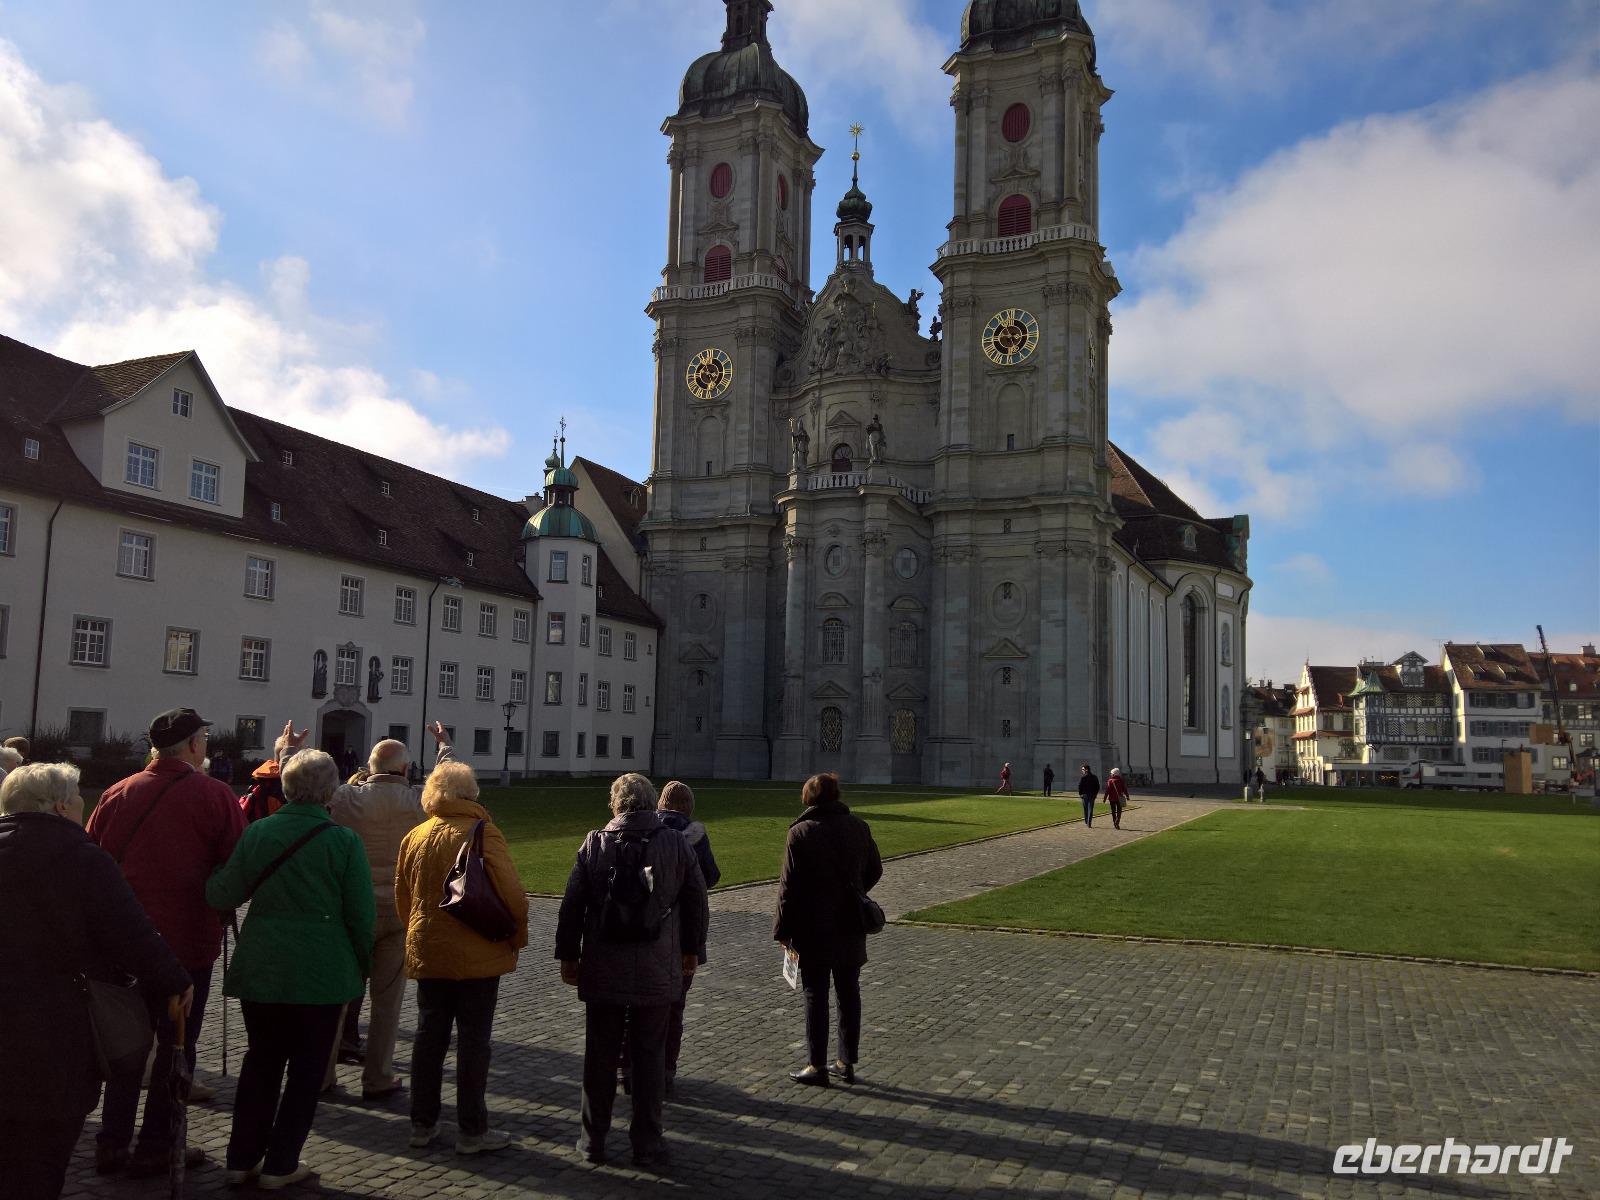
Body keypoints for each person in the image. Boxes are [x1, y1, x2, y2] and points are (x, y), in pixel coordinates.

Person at [0, 763, 193, 1200]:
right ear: (62, 804)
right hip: (55, 1025)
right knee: (41, 1158)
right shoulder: (83, 858)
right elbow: (131, 933)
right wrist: (175, 980)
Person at [206, 733, 372, 1189]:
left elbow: (223, 892)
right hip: (321, 971)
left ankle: (241, 1157)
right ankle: (280, 1163)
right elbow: (360, 914)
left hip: (264, 964)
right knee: (305, 1072)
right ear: (331, 790)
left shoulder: (260, 830)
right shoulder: (343, 842)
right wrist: (364, 964)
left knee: (260, 1061)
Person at [86, 707, 245, 1177]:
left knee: (123, 1046)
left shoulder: (117, 792)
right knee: (176, 1047)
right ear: (194, 745)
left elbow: (93, 859)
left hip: (122, 946)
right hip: (184, 946)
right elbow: (234, 868)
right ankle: (158, 1144)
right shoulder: (214, 794)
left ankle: (111, 1141)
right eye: (204, 739)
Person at [557, 773, 708, 1169]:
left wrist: (569, 955)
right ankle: (647, 1143)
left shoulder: (595, 842)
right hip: (658, 964)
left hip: (604, 964)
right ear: (651, 802)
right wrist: (691, 951)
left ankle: (593, 1140)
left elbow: (572, 905)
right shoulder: (675, 843)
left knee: (600, 1054)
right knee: (649, 1055)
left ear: (616, 804)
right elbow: (696, 900)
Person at [396, 761, 528, 1156]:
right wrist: (514, 938)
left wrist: (418, 935)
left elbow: (404, 898)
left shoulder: (415, 835)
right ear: (471, 795)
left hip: (430, 951)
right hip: (478, 953)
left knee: (428, 1038)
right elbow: (513, 896)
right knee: (473, 1042)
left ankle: (422, 1122)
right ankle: (471, 1129)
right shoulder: (484, 834)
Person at [323, 722, 454, 1101]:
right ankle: (377, 1077)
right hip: (398, 909)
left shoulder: (348, 798)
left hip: (352, 909)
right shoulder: (416, 802)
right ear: (404, 770)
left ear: (370, 766)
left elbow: (302, 788)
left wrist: (284, 750)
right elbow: (445, 784)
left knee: (337, 998)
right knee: (387, 1003)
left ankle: (322, 1074)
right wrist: (444, 747)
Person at [773, 772, 883, 1088]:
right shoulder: (859, 828)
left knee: (815, 994)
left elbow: (787, 889)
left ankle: (816, 1065)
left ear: (809, 799)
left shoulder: (801, 833)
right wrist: (854, 894)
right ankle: (845, 1062)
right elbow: (875, 869)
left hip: (812, 926)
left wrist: (782, 931)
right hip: (850, 923)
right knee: (849, 992)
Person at [617, 780, 719, 1097]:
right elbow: (708, 881)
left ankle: (629, 1068)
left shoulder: (632, 830)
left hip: (631, 931)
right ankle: (664, 1071)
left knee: (632, 1005)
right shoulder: (692, 836)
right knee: (673, 1006)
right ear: (688, 807)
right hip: (677, 936)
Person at [1077, 762, 1100, 829]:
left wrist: (1080, 794)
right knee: (1090, 809)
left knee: (1086, 809)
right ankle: (1089, 823)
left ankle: (1087, 821)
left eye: (1083, 769)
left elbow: (1079, 787)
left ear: (1086, 770)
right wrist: (1095, 794)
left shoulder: (1083, 777)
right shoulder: (1094, 777)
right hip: (1092, 795)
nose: (1082, 771)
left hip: (1085, 796)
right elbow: (1098, 787)